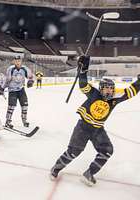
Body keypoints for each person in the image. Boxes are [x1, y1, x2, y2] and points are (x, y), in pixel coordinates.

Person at [50, 55, 140, 186]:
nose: (109, 90)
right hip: (83, 127)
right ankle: (55, 169)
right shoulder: (94, 93)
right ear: (101, 88)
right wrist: (83, 69)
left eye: (111, 88)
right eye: (106, 88)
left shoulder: (114, 99)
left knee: (107, 150)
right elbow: (83, 84)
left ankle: (89, 173)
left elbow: (131, 91)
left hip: (98, 129)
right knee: (74, 151)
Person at [0, 55, 34, 128]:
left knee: (25, 105)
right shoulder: (11, 69)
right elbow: (7, 80)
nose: (18, 62)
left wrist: (31, 81)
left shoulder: (24, 69)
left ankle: (24, 121)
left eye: (19, 61)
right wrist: (2, 88)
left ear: (21, 61)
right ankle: (8, 121)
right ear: (14, 61)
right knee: (11, 106)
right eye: (16, 61)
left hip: (21, 89)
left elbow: (31, 76)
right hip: (12, 90)